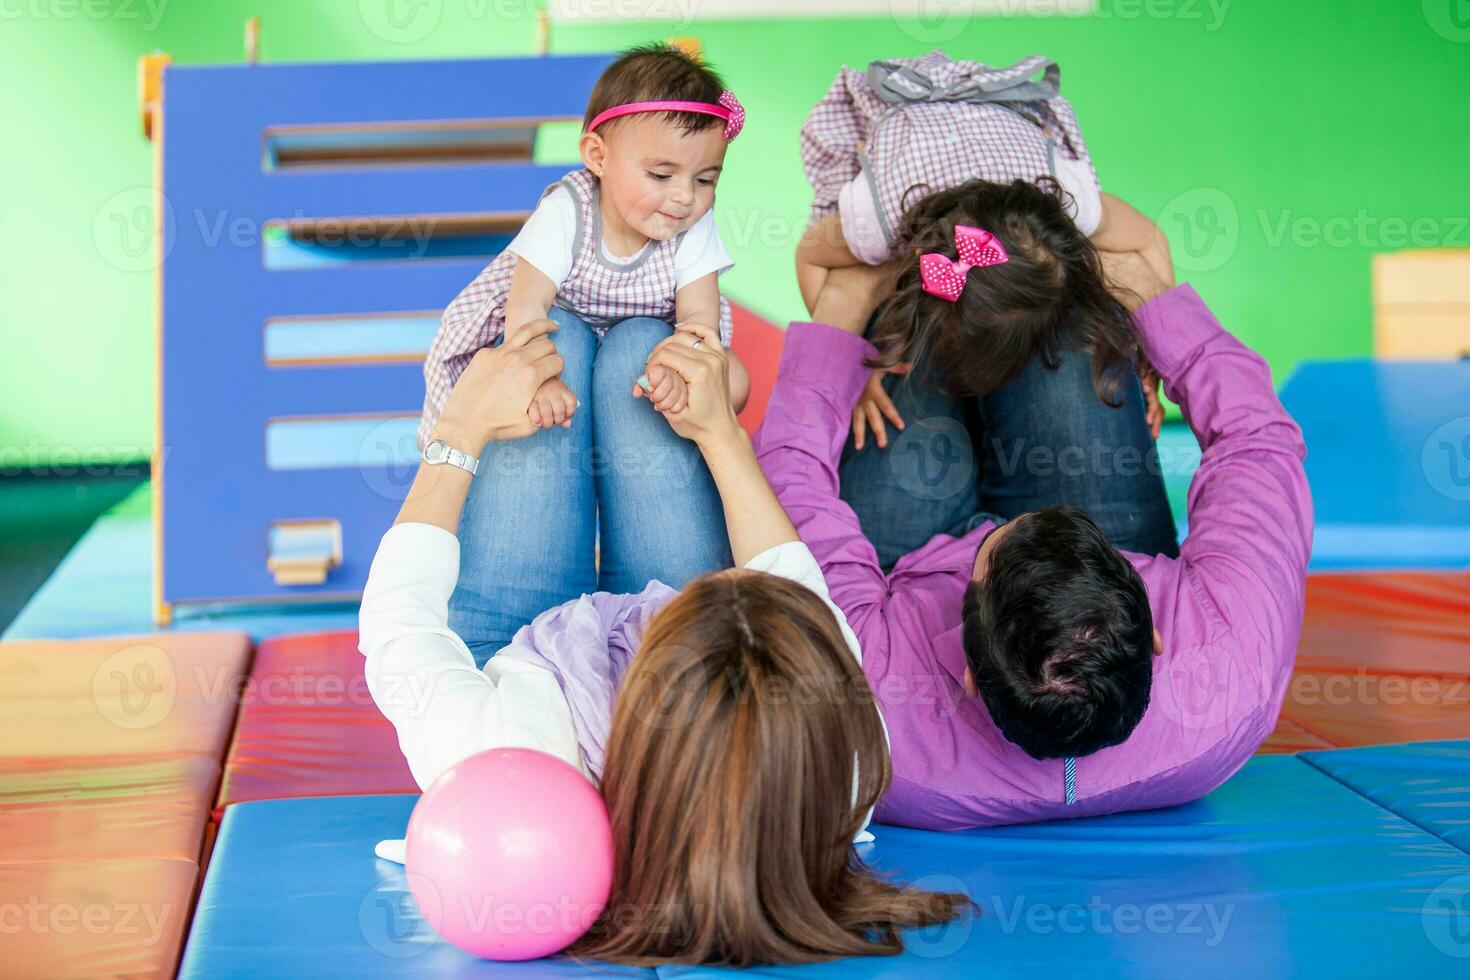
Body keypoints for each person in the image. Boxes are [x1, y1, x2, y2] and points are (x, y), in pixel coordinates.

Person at [359, 319, 967, 964]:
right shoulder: (838, 759)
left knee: (550, 342)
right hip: (629, 688)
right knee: (642, 350)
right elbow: (795, 588)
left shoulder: (506, 760)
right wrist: (720, 433)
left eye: (703, 591)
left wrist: (459, 430)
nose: (728, 570)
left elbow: (401, 621)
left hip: (524, 658)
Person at [753, 250, 1313, 830]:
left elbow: (790, 483)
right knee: (1051, 310)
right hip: (1095, 535)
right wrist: (1148, 296)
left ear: (969, 673)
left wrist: (844, 309)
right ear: (1153, 634)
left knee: (909, 320)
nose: (1000, 531)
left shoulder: (881, 726)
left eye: (994, 550)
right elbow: (1256, 444)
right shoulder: (1230, 672)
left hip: (899, 568)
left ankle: (930, 264)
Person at [795, 52, 1171, 445]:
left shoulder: (1070, 197)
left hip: (1004, 122)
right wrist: (853, 364)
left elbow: (1149, 240)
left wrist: (1152, 354)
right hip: (897, 116)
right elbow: (809, 255)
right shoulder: (878, 219)